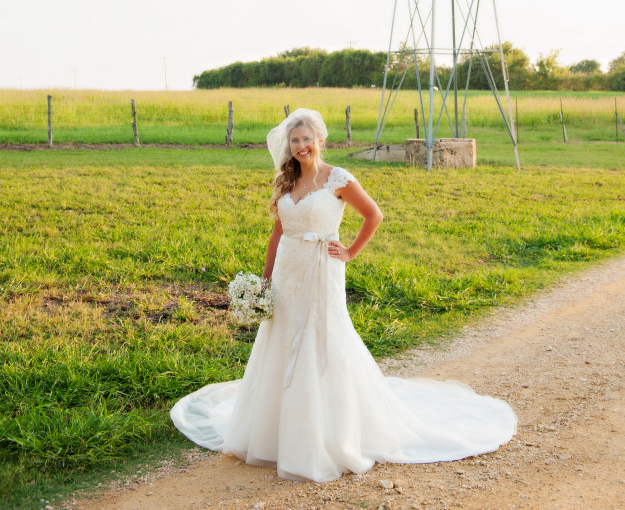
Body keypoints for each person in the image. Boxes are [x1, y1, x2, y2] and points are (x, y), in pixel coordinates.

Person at [170, 108, 517, 482]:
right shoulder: (286, 181)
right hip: (288, 271)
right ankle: (275, 433)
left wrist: (349, 251)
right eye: (295, 140)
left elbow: (374, 215)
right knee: (282, 339)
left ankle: (327, 435)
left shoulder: (338, 177)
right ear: (289, 145)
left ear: (320, 141)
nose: (301, 146)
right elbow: (277, 234)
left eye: (307, 139)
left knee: (323, 340)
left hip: (322, 269)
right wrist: (265, 281)